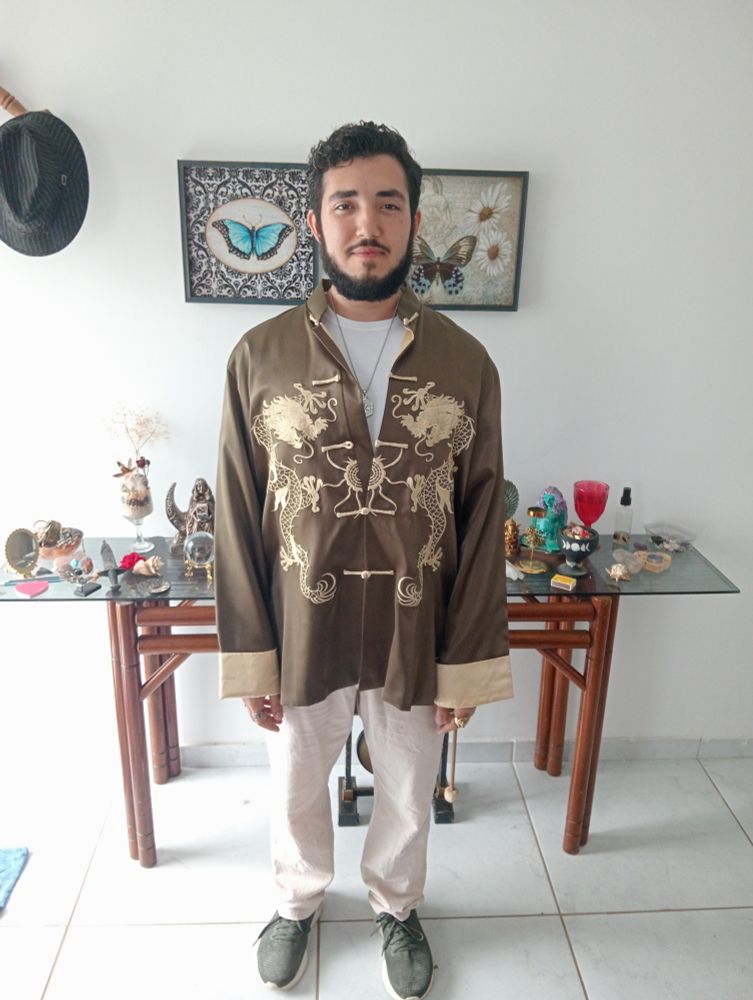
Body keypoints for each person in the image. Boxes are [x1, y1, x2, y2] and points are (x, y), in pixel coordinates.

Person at [215, 121, 511, 999]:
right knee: (295, 780)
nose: (366, 223)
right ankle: (296, 901)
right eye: (345, 204)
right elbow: (236, 509)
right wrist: (252, 654)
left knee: (409, 786)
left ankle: (396, 903)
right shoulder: (260, 356)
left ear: (414, 220)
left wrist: (466, 662)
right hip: (302, 618)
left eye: (387, 203)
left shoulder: (463, 361)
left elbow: (481, 514)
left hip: (415, 619)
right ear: (314, 222)